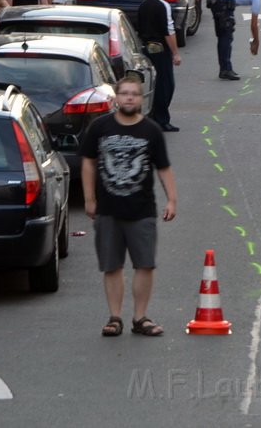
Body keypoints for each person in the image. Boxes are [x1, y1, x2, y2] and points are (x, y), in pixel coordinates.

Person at [80, 74, 177, 338]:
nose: (130, 97)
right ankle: (115, 317)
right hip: (108, 210)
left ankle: (140, 317)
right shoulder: (100, 127)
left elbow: (164, 167)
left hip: (141, 210)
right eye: (125, 93)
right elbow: (88, 162)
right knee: (112, 266)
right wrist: (89, 198)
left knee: (144, 264)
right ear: (116, 98)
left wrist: (171, 199)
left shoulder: (151, 130)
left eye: (135, 93)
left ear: (141, 98)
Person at [137, 0, 182, 132]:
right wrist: (175, 53)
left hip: (146, 48)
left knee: (152, 83)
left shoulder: (144, 4)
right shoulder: (164, 5)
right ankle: (162, 119)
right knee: (166, 84)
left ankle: (152, 115)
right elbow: (168, 32)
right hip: (160, 49)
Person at [207, 0, 261, 80]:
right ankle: (225, 70)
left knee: (222, 36)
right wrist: (256, 42)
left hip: (214, 0)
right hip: (224, 2)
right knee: (226, 36)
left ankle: (225, 68)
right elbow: (253, 24)